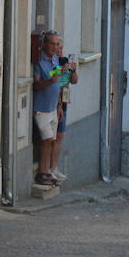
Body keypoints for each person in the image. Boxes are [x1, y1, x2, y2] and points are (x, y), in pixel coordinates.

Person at [32, 30, 69, 186]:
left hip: (53, 107)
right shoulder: (39, 61)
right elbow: (36, 85)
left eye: (57, 44)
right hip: (41, 107)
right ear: (45, 44)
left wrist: (60, 105)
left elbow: (58, 82)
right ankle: (42, 173)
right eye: (52, 44)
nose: (55, 47)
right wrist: (51, 80)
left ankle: (47, 171)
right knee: (46, 139)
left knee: (51, 140)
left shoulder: (55, 58)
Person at [48, 35, 78, 183]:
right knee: (51, 138)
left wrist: (73, 70)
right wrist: (60, 69)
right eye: (57, 47)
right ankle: (48, 169)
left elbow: (75, 81)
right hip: (53, 103)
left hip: (64, 102)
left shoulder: (65, 61)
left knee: (59, 136)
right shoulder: (52, 63)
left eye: (61, 47)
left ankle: (54, 167)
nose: (59, 50)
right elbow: (50, 75)